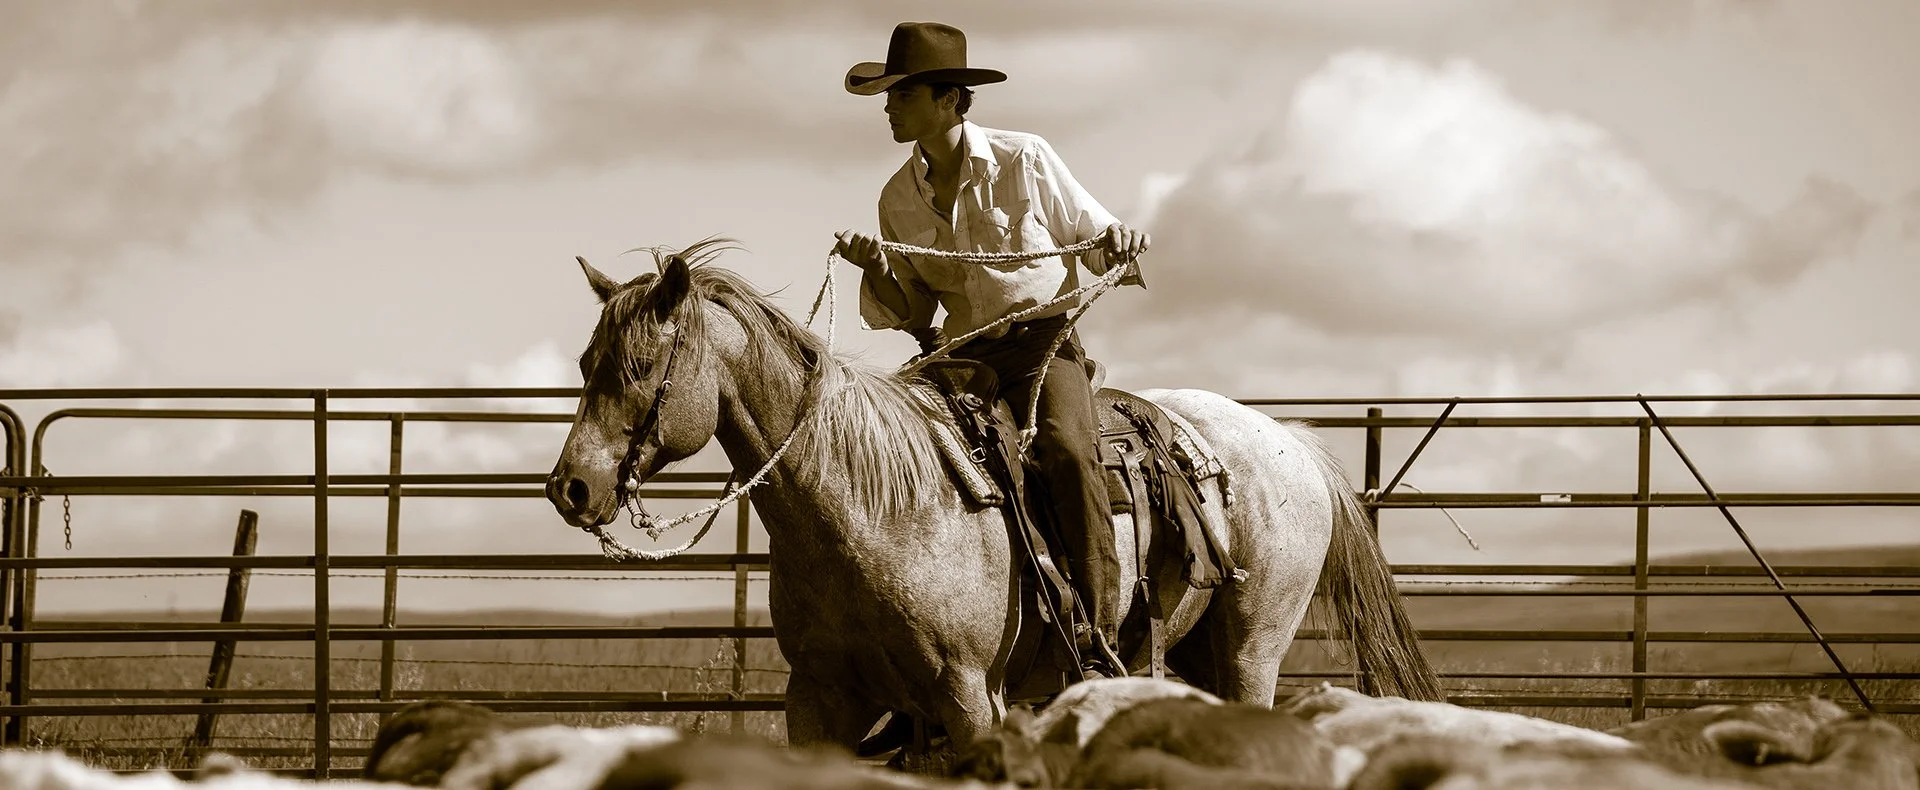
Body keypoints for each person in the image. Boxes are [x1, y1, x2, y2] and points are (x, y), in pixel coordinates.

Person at [832, 21, 1151, 681]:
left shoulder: (1024, 159)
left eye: (901, 94)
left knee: (1065, 450)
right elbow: (916, 312)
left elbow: (1090, 236)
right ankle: (920, 635)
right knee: (900, 455)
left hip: (1044, 344)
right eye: (888, 96)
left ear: (948, 100)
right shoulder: (896, 198)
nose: (888, 108)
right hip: (964, 356)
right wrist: (874, 269)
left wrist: (1118, 240)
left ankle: (1097, 634)